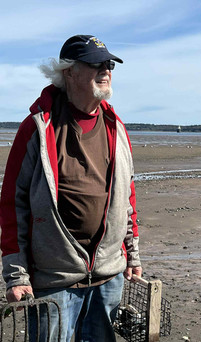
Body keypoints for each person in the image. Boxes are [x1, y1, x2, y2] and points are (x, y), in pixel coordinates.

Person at [0, 34, 142, 341]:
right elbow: (13, 203)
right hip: (55, 281)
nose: (106, 70)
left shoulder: (116, 128)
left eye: (108, 64)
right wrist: (15, 275)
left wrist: (133, 255)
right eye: (94, 64)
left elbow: (126, 197)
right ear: (69, 72)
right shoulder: (37, 128)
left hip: (108, 277)